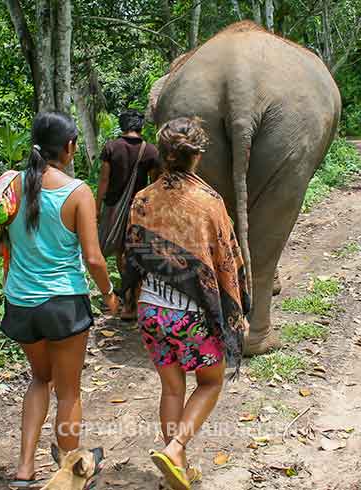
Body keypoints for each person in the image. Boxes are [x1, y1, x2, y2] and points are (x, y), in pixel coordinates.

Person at [0, 112, 119, 489]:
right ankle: (70, 474)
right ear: (69, 147)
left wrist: (21, 244)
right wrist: (109, 294)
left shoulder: (11, 188)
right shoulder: (77, 192)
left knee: (40, 379)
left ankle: (24, 470)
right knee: (68, 391)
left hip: (21, 303)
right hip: (63, 304)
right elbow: (93, 258)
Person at [121, 117, 251, 490]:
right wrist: (234, 312)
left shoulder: (143, 199)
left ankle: (174, 470)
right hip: (190, 314)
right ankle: (176, 448)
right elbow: (225, 260)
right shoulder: (209, 201)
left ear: (162, 154)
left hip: (150, 309)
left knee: (172, 388)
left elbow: (133, 256)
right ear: (198, 155)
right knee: (209, 383)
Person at [96, 110, 161, 321]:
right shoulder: (151, 151)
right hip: (139, 210)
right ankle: (134, 298)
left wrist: (97, 208)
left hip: (113, 208)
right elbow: (154, 184)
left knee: (119, 252)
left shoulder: (111, 147)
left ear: (122, 125)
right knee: (135, 253)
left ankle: (127, 301)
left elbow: (104, 181)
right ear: (140, 126)